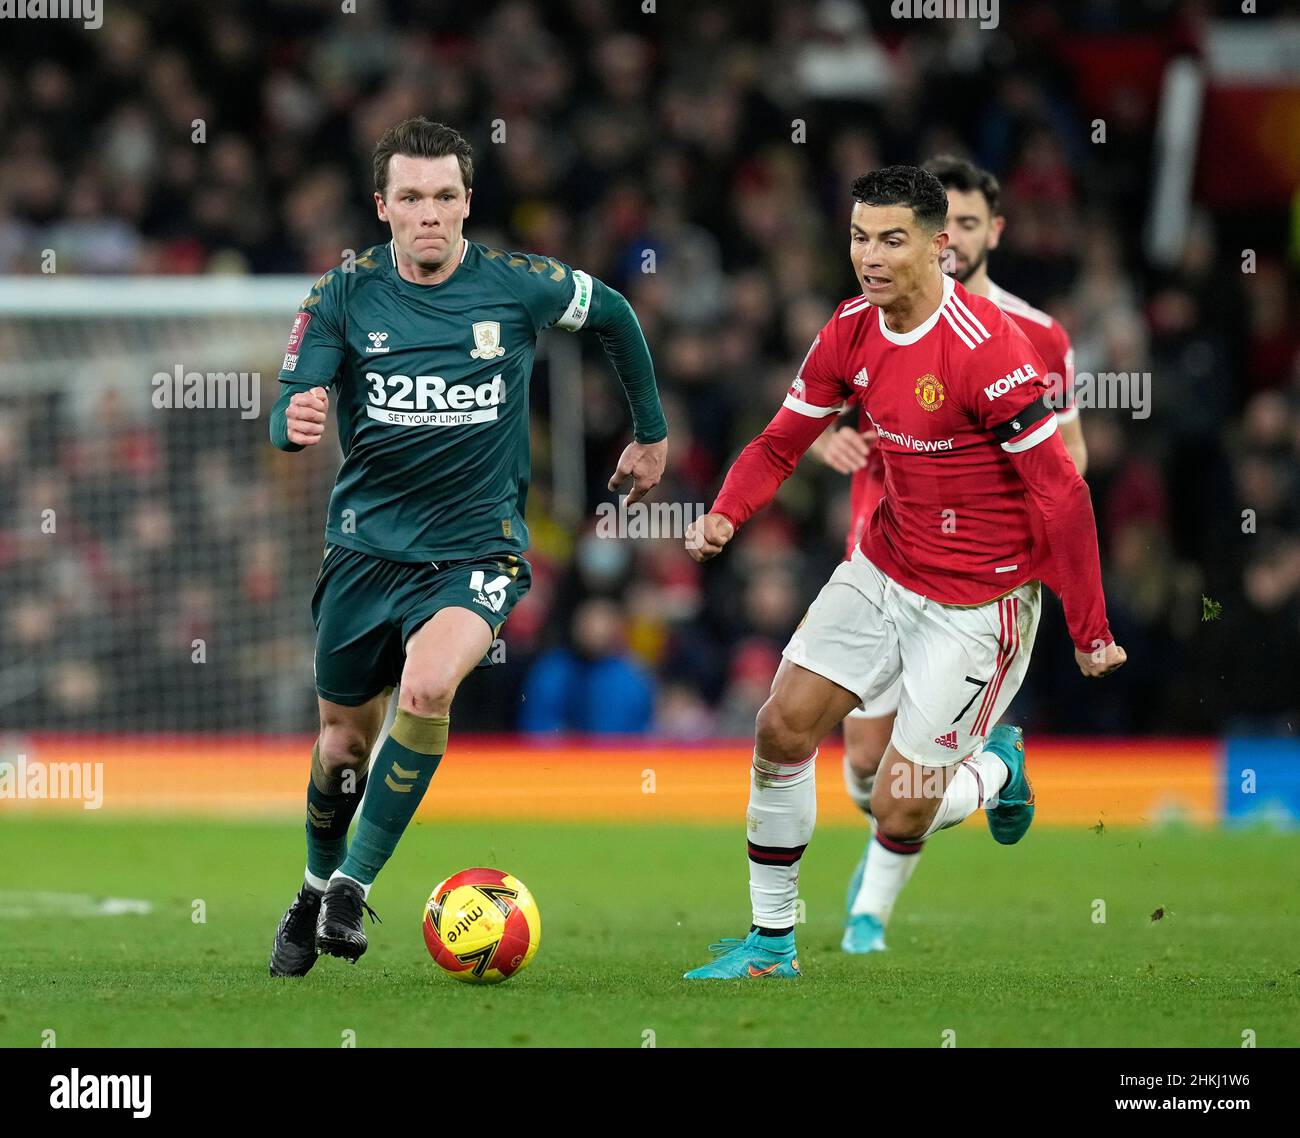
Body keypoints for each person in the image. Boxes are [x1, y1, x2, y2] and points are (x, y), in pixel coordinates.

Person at [681, 165, 1124, 980]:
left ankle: (998, 768)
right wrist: (724, 514)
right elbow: (781, 440)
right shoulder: (850, 328)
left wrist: (1089, 628)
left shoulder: (989, 352)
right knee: (780, 728)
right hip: (883, 570)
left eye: (891, 240)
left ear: (938, 245)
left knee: (898, 805)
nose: (869, 256)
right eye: (858, 237)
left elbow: (1062, 489)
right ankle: (771, 946)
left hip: (976, 603)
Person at [266, 117, 668, 975]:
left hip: (475, 550)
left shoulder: (518, 285)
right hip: (363, 554)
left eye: (445, 196)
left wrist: (652, 432)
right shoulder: (340, 293)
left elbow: (618, 315)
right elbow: (291, 399)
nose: (429, 214)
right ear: (382, 207)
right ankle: (312, 887)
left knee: (428, 683)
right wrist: (292, 421)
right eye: (410, 197)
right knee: (342, 743)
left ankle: (352, 890)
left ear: (466, 201)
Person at [807, 155, 1089, 954]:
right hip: (885, 558)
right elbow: (844, 396)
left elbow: (1069, 464)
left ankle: (869, 917)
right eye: (947, 224)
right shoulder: (880, 310)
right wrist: (836, 434)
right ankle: (992, 771)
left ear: (990, 232)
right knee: (866, 769)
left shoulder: (1034, 336)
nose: (955, 239)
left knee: (908, 783)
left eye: (970, 223)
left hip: (980, 582)